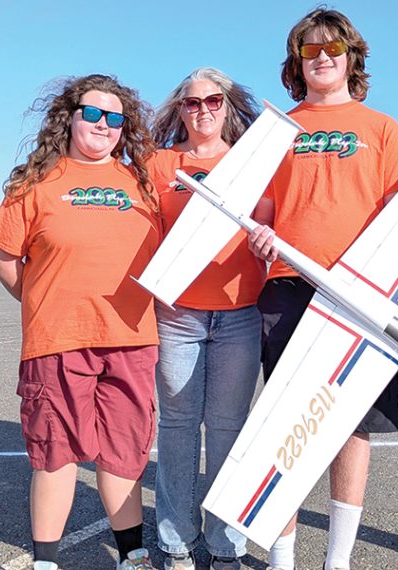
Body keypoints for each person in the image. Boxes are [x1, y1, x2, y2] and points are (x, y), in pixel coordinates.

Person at [246, 8, 398, 570]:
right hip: (289, 286)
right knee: (287, 426)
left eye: (333, 48)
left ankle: (338, 559)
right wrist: (261, 238)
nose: (322, 57)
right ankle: (282, 557)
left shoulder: (383, 129)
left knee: (351, 427)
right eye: (310, 50)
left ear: (351, 57)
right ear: (297, 62)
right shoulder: (277, 128)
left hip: (362, 293)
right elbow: (262, 214)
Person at [0, 74, 161, 570]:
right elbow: (3, 258)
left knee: (124, 453)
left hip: (132, 339)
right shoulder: (36, 183)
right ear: (71, 117)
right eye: (93, 113)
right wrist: (41, 302)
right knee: (55, 452)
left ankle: (134, 555)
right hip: (57, 341)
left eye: (115, 117)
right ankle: (46, 561)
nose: (104, 124)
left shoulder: (141, 183)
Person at [147, 67, 264, 570]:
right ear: (180, 109)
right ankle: (175, 540)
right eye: (192, 103)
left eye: (213, 101)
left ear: (228, 106)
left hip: (241, 313)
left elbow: (276, 224)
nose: (203, 111)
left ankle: (224, 546)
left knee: (227, 430)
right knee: (176, 426)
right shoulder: (159, 164)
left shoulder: (254, 163)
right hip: (177, 315)